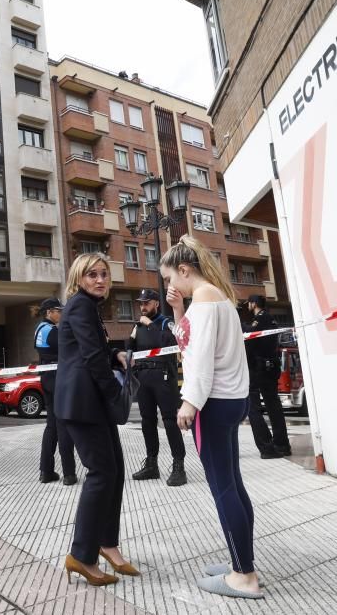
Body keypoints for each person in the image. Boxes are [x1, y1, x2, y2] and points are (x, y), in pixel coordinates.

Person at [160, 235, 263, 600]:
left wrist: (189, 402)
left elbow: (198, 357)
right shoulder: (216, 295)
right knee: (232, 483)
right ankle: (242, 562)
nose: (170, 286)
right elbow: (193, 342)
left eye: (171, 278)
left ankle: (243, 575)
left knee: (223, 488)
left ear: (185, 270)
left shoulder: (203, 300)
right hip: (231, 399)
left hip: (212, 403)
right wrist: (176, 312)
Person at [55, 252, 140, 586]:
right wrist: (114, 395)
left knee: (114, 472)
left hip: (90, 404)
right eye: (92, 274)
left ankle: (107, 543)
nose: (100, 280)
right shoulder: (79, 305)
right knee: (102, 474)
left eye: (104, 273)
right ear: (79, 278)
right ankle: (82, 555)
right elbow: (90, 356)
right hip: (83, 405)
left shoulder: (88, 308)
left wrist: (115, 353)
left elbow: (93, 347)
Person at [127, 288, 187, 486]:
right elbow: (130, 350)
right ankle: (151, 464)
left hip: (163, 377)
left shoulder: (164, 322)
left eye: (146, 303)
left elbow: (168, 343)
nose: (142, 307)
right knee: (147, 421)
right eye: (141, 303)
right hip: (143, 378)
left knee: (170, 421)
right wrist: (132, 338)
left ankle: (179, 466)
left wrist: (150, 324)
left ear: (156, 304)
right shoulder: (139, 325)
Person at [32, 298, 76, 486]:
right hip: (59, 379)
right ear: (49, 312)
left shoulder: (39, 329)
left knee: (51, 425)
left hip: (46, 378)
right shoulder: (53, 331)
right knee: (64, 424)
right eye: (59, 310)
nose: (62, 313)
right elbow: (69, 349)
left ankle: (46, 471)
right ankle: (69, 474)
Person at [242, 294, 291, 459]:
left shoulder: (261, 318)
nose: (247, 305)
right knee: (274, 406)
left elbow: (250, 336)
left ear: (254, 303)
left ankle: (268, 447)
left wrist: (239, 325)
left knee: (253, 406)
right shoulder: (272, 319)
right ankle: (282, 444)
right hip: (271, 366)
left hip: (259, 368)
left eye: (249, 302)